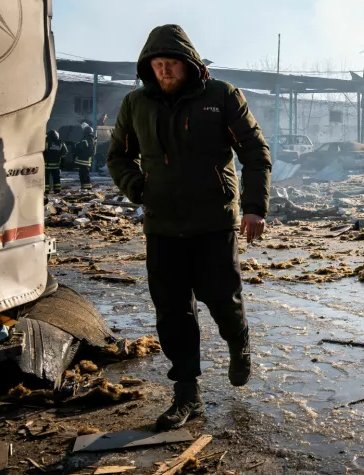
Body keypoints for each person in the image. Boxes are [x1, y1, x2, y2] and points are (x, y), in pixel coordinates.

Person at [107, 24, 271, 430]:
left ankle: (238, 342)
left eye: (172, 64)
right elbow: (118, 156)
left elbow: (254, 151)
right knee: (172, 311)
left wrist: (254, 208)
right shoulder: (136, 104)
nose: (165, 71)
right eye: (157, 65)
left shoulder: (220, 96)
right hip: (162, 224)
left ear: (189, 64)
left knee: (221, 299)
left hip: (213, 220)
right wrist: (137, 187)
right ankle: (187, 394)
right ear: (148, 68)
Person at [43, 130, 67, 194]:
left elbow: (42, 151)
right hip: (56, 165)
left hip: (47, 165)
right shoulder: (60, 142)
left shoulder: (46, 142)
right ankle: (57, 190)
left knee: (46, 178)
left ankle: (46, 190)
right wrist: (58, 156)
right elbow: (65, 152)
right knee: (56, 178)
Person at [74, 126, 95, 190]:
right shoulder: (91, 138)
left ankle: (87, 187)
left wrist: (76, 145)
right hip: (86, 159)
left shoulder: (87, 138)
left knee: (84, 174)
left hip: (84, 159)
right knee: (84, 173)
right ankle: (85, 187)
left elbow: (82, 146)